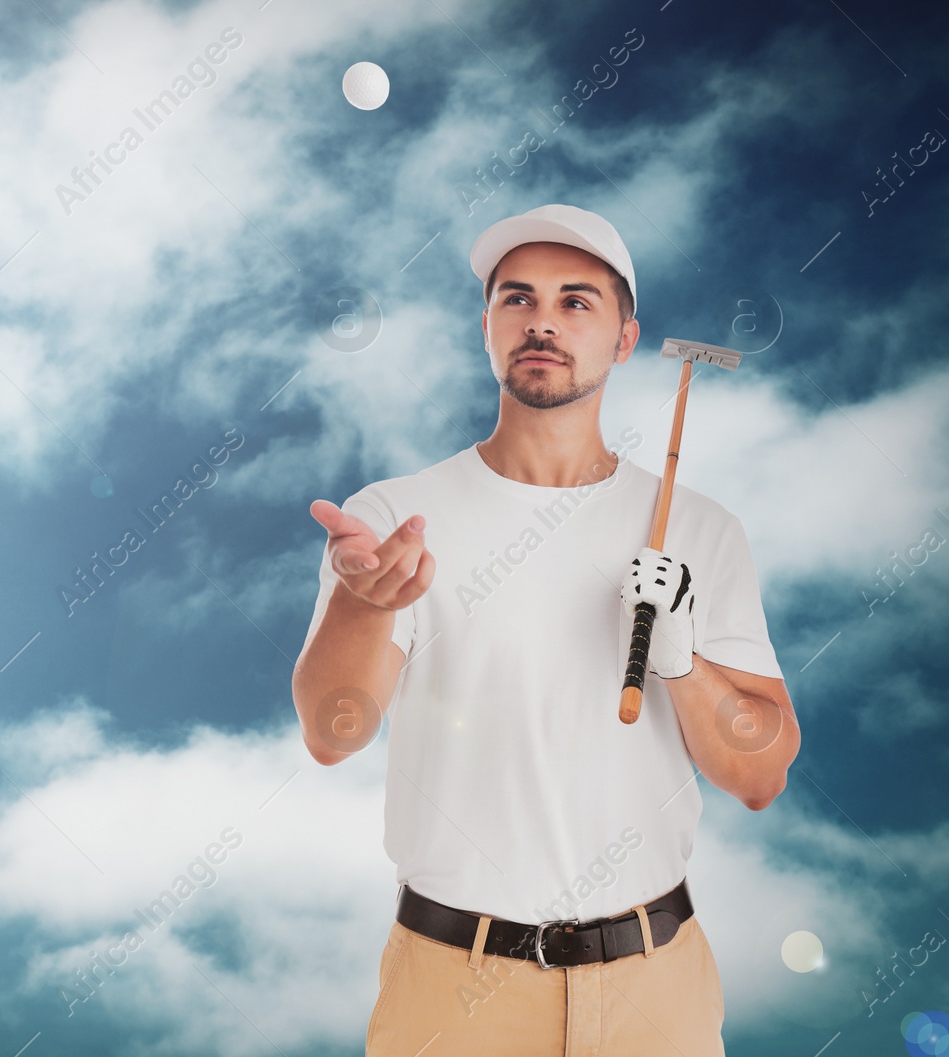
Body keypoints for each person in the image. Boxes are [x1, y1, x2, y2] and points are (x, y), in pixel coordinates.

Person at [291, 204, 800, 1056]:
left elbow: (760, 774)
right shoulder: (396, 519)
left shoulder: (702, 531)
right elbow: (332, 733)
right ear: (486, 326)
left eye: (577, 302)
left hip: (655, 988)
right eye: (518, 299)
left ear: (625, 338)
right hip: (452, 989)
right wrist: (365, 602)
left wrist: (682, 661)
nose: (542, 321)